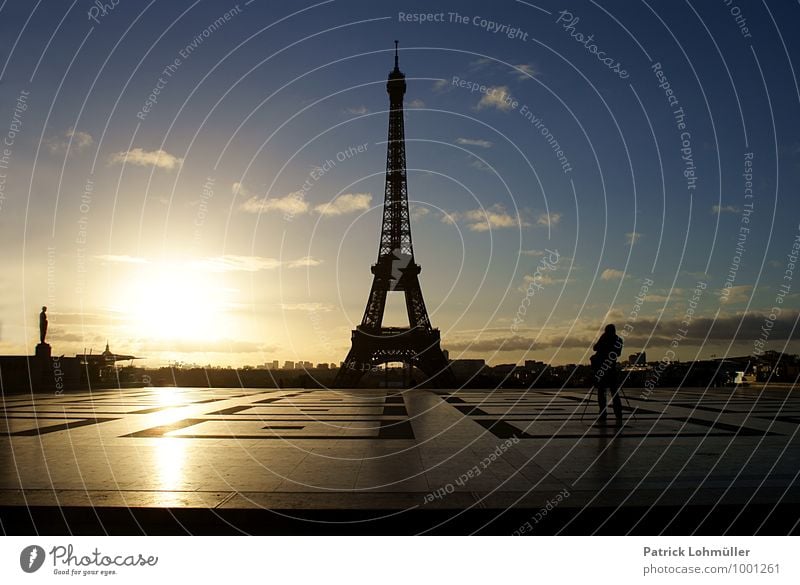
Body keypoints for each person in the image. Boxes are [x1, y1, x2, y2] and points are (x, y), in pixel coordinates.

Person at [591, 324, 623, 425]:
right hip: (611, 368)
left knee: (601, 392)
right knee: (614, 392)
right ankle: (618, 414)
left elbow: (595, 348)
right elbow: (618, 353)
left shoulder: (604, 338)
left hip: (602, 369)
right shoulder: (618, 340)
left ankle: (603, 413)